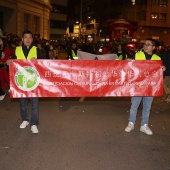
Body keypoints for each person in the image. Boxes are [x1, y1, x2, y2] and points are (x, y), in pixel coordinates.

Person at [125, 38, 166, 135]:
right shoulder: (138, 55)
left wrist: (163, 69)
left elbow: (159, 74)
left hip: (150, 87)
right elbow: (131, 67)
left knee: (147, 107)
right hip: (138, 86)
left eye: (148, 44)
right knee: (134, 106)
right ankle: (131, 123)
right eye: (144, 44)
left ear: (153, 47)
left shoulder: (157, 59)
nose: (145, 46)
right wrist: (128, 61)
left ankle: (144, 125)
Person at [8, 30, 44, 133]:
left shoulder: (37, 50)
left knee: (34, 103)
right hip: (21, 82)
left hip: (34, 81)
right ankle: (25, 120)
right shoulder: (17, 50)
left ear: (32, 40)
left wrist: (37, 60)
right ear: (22, 39)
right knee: (23, 103)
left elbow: (44, 63)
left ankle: (34, 123)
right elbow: (13, 61)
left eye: (30, 37)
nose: (28, 39)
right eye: (26, 37)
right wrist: (10, 61)